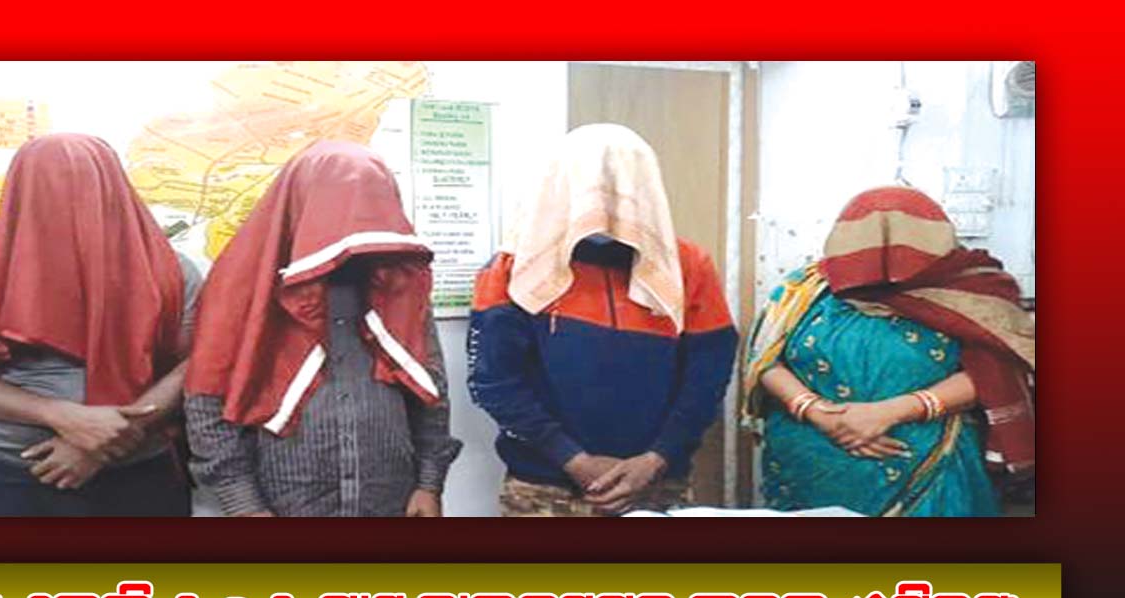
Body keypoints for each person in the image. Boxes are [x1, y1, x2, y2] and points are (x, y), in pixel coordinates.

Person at [468, 124, 738, 516]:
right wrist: (572, 459)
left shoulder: (688, 266)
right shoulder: (515, 267)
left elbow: (708, 377)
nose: (602, 197)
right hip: (543, 490)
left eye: (619, 180)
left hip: (657, 485)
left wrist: (655, 459)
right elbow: (494, 383)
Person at [0, 133, 201, 517]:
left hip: (139, 472)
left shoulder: (171, 269)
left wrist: (103, 443)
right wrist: (62, 416)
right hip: (13, 473)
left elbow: (195, 365)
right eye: (49, 186)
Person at [183, 140, 461, 517]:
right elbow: (208, 402)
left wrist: (429, 483)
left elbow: (429, 387)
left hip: (389, 500)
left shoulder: (398, 287)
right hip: (283, 504)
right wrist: (244, 504)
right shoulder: (243, 290)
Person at [742, 186, 1035, 517]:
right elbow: (765, 359)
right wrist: (818, 413)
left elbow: (996, 372)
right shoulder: (804, 290)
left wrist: (890, 413)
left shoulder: (974, 291)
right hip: (812, 462)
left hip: (926, 462)